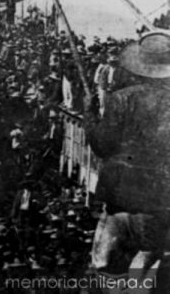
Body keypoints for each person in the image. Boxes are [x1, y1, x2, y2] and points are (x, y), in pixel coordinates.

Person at [84, 31, 170, 289]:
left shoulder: (121, 99)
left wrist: (90, 115)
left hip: (120, 198)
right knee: (147, 265)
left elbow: (102, 146)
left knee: (107, 264)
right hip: (159, 201)